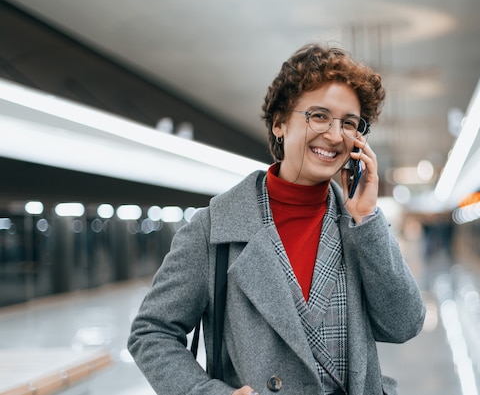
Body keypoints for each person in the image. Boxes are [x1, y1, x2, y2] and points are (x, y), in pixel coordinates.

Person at [128, 42, 426, 395]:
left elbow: (404, 324)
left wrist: (366, 220)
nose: (334, 135)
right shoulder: (214, 230)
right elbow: (152, 331)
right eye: (319, 116)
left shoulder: (357, 226)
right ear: (280, 123)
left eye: (349, 123)